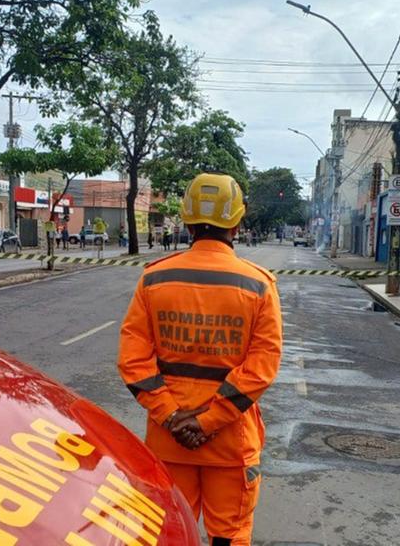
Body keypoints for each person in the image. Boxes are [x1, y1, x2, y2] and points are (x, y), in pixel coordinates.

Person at [117, 173, 282, 546]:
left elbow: (133, 362)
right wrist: (208, 422)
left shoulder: (154, 279)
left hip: (169, 440)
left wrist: (174, 417)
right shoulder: (258, 285)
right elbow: (261, 368)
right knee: (229, 537)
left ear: (187, 221)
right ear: (237, 223)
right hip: (230, 443)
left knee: (172, 533)